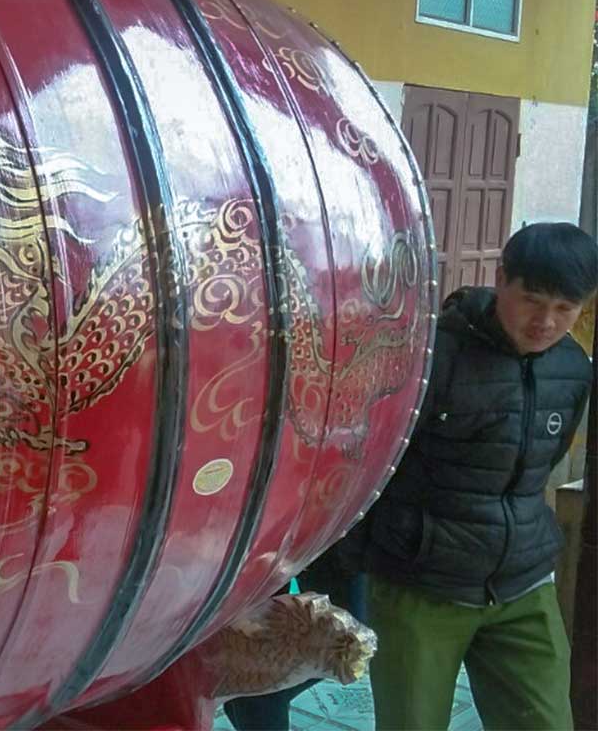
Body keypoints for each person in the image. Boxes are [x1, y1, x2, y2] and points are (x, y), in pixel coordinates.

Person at [348, 222, 598, 730]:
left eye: (565, 308)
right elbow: (370, 463)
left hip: (523, 583)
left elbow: (541, 466)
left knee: (548, 722)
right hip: (423, 585)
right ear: (501, 278)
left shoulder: (573, 368)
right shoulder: (431, 357)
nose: (546, 322)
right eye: (532, 301)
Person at [222, 542, 366, 730]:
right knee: (253, 671)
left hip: (329, 540)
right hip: (257, 545)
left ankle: (256, 695)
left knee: (349, 640)